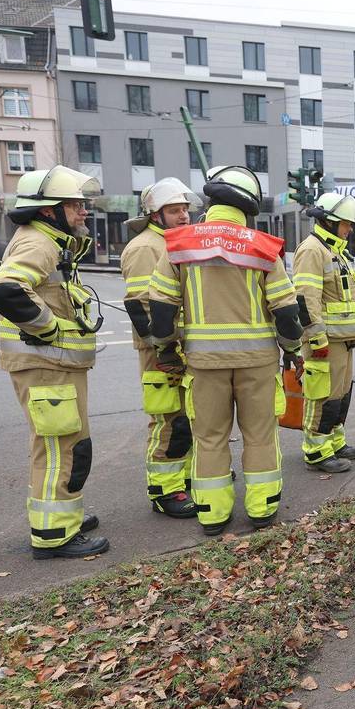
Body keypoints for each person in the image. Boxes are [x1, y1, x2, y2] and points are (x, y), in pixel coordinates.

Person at [147, 166, 303, 535]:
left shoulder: (178, 244)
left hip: (203, 364)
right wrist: (293, 349)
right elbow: (286, 313)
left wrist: (167, 351)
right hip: (257, 364)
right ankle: (262, 508)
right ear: (248, 205)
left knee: (209, 438)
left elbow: (162, 312)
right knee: (261, 435)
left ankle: (213, 513)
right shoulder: (264, 247)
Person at [0, 166, 109, 559]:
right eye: (74, 205)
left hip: (54, 366)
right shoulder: (40, 243)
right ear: (47, 210)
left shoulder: (49, 241)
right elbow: (6, 289)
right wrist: (49, 329)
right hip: (45, 364)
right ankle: (54, 535)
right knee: (61, 449)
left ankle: (63, 516)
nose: (83, 211)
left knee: (69, 445)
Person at [121, 178, 200, 518]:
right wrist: (164, 352)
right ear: (155, 214)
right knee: (168, 420)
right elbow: (141, 306)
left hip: (179, 348)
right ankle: (164, 492)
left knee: (186, 419)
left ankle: (183, 479)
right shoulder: (145, 248)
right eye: (174, 210)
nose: (183, 215)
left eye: (184, 209)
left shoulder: (174, 242)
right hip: (160, 352)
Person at [292, 192, 355, 473]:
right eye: (346, 223)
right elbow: (305, 299)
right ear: (328, 222)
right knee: (323, 396)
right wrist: (316, 339)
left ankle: (335, 443)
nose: (350, 229)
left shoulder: (336, 250)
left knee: (341, 395)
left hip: (344, 339)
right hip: (326, 341)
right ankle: (316, 450)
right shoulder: (312, 250)